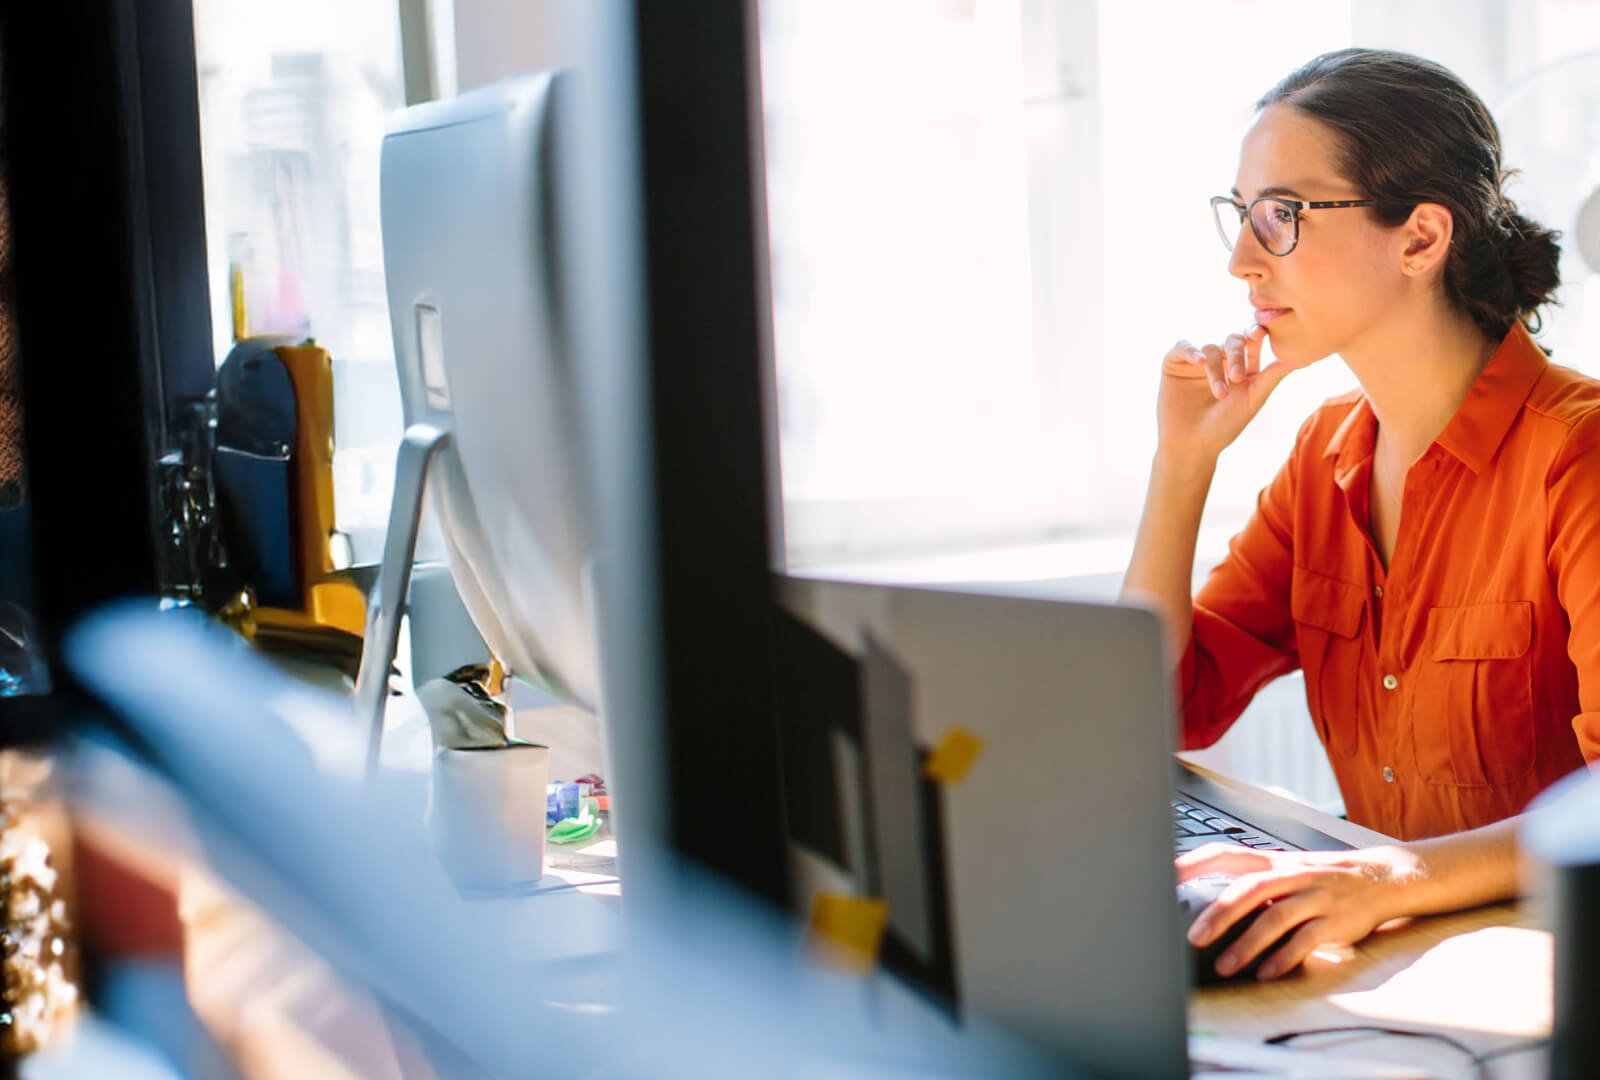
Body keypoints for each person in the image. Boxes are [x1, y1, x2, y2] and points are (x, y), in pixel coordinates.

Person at [1120, 46, 1600, 983]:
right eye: (1242, 215)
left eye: (1282, 217)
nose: (1240, 260)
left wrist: (1385, 872)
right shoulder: (1324, 454)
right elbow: (1159, 706)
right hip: (1407, 956)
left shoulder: (1577, 459)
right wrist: (1182, 465)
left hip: (1555, 968)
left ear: (1421, 239)